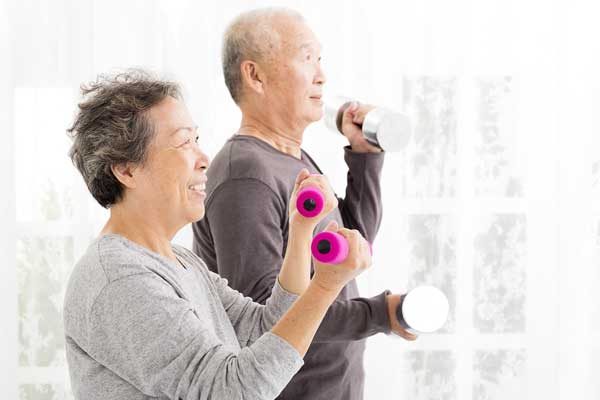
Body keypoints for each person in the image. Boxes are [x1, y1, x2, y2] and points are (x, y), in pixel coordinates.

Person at [62, 70, 373, 400]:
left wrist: (300, 232)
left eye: (196, 139)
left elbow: (262, 331)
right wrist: (326, 285)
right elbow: (233, 391)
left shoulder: (180, 262)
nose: (203, 159)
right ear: (126, 170)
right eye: (184, 142)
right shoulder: (120, 281)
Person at [192, 7, 416, 400]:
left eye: (320, 59)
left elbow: (353, 245)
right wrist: (380, 314)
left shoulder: (289, 159)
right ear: (255, 75)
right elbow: (266, 318)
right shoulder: (245, 174)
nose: (321, 75)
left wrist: (364, 154)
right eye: (305, 57)